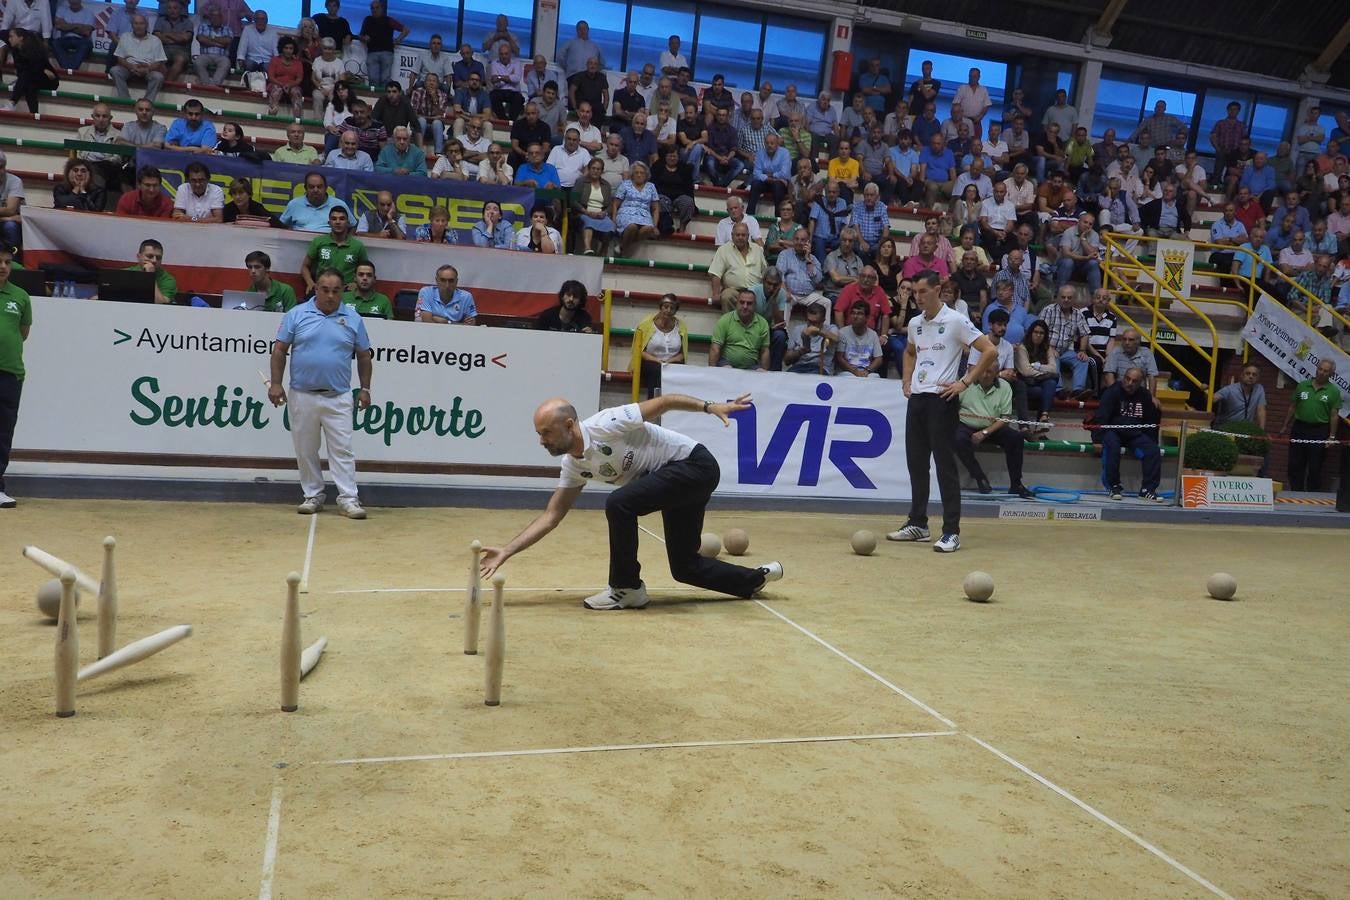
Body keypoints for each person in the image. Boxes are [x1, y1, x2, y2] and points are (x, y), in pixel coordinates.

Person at [481, 393, 781, 610]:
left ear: (569, 425)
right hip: (676, 480)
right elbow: (552, 516)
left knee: (619, 503)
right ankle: (754, 579)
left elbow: (664, 402)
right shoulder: (573, 466)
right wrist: (506, 551)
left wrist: (709, 406)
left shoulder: (605, 424)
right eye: (538, 434)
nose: (542, 440)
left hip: (694, 465)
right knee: (685, 568)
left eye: (546, 432)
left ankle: (626, 589)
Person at [888, 270, 997, 552]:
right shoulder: (914, 323)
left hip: (942, 399)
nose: (918, 297)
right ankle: (918, 523)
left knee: (944, 466)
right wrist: (906, 380)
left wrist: (964, 382)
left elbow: (989, 351)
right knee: (916, 463)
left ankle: (951, 531)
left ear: (938, 290)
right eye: (914, 292)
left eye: (923, 291)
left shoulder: (956, 321)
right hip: (919, 399)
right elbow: (910, 352)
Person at [267, 267, 372, 519]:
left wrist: (365, 388)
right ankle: (313, 494)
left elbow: (364, 356)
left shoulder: (353, 318)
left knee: (342, 449)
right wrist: (276, 383)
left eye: (336, 291)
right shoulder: (296, 314)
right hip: (302, 394)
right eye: (325, 290)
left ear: (343, 291)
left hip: (339, 396)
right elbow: (280, 350)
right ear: (316, 289)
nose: (330, 296)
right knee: (306, 448)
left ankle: (349, 498)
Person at [955, 365, 1032, 497]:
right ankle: (980, 478)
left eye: (989, 371)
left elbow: (1005, 418)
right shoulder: (966, 382)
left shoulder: (1005, 387)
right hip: (966, 425)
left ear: (997, 373)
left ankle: (1016, 484)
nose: (985, 374)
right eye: (982, 370)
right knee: (958, 440)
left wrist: (984, 432)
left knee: (1016, 438)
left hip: (993, 427)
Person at [1095, 366, 1164, 502]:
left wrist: (1151, 441)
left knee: (1153, 450)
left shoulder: (1145, 395)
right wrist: (1097, 439)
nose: (1130, 383)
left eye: (1135, 381)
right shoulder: (1112, 392)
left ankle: (1147, 490)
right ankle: (1113, 486)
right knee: (1112, 446)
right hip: (1113, 430)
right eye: (1127, 379)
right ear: (1123, 378)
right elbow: (1102, 418)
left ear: (1141, 383)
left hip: (1134, 434)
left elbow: (1150, 422)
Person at [1280, 358, 1341, 492]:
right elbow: (1293, 406)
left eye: (1326, 371)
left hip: (1319, 430)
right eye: (1320, 369)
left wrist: (1331, 436)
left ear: (1331, 374)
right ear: (1316, 369)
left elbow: (1334, 415)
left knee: (1315, 465)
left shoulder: (1333, 391)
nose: (1322, 373)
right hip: (1299, 428)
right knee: (1295, 463)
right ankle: (1296, 491)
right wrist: (1285, 425)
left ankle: (1312, 494)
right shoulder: (1302, 385)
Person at [0, 244, 29, 507]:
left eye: (7, 262)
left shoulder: (20, 296)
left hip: (10, 374)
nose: (3, 267)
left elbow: (22, 332)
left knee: (3, 431)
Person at [630, 293, 686, 398]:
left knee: (680, 371)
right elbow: (640, 351)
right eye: (666, 307)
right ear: (660, 307)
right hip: (650, 361)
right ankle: (653, 405)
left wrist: (668, 362)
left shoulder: (681, 326)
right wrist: (659, 362)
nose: (668, 310)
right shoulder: (646, 324)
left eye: (672, 308)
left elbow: (683, 354)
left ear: (676, 311)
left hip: (671, 362)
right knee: (657, 371)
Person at [301, 207, 367, 293]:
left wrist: (356, 283)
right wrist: (310, 283)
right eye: (334, 219)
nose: (338, 222)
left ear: (348, 223)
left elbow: (365, 270)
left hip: (347, 291)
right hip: (322, 288)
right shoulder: (318, 241)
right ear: (329, 223)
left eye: (342, 219)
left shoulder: (357, 246)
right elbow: (305, 266)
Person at [708, 222, 766, 310]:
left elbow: (765, 272)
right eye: (737, 235)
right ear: (732, 235)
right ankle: (730, 323)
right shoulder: (723, 250)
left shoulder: (757, 249)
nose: (740, 237)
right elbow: (715, 273)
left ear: (748, 236)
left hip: (755, 292)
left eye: (743, 235)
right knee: (726, 296)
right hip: (734, 291)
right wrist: (715, 294)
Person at [110, 14, 165, 102]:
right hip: (128, 68)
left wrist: (147, 69)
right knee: (115, 70)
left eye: (141, 23)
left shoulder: (155, 40)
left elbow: (158, 62)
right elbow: (119, 58)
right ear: (132, 25)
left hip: (148, 70)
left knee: (158, 77)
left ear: (146, 25)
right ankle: (125, 100)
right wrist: (131, 66)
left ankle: (147, 103)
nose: (138, 26)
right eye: (136, 23)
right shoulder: (125, 37)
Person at [709, 290, 769, 370]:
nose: (745, 306)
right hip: (726, 364)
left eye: (749, 303)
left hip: (752, 366)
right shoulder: (725, 320)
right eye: (742, 302)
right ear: (736, 303)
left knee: (761, 373)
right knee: (727, 369)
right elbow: (715, 348)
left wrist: (765, 375)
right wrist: (711, 373)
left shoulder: (763, 323)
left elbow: (765, 351)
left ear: (755, 305)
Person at [357, 0, 407, 93]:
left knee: (385, 80)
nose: (375, 10)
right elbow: (360, 36)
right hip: (372, 52)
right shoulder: (368, 20)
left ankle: (384, 101)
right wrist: (364, 38)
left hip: (387, 52)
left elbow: (405, 29)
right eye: (373, 8)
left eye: (377, 8)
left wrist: (398, 40)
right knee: (373, 80)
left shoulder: (388, 20)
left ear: (382, 8)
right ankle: (374, 101)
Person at [613, 162, 660, 258]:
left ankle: (622, 247)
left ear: (646, 175)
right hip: (626, 214)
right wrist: (613, 220)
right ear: (632, 174)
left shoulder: (651, 186)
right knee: (632, 227)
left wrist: (655, 226)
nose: (639, 175)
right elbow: (615, 204)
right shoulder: (625, 184)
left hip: (644, 217)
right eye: (636, 172)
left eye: (642, 173)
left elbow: (655, 208)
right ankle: (624, 252)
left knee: (648, 229)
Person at [6, 27, 58, 115]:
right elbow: (20, 71)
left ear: (20, 38)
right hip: (31, 79)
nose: (9, 39)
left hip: (49, 79)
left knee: (27, 75)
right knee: (29, 83)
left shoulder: (33, 50)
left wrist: (23, 73)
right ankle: (34, 114)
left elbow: (36, 69)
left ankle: (12, 102)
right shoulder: (15, 51)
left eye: (12, 36)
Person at [279, 171, 351, 232]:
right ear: (305, 188)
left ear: (326, 188)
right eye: (311, 187)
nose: (315, 190)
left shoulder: (339, 204)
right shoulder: (294, 204)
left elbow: (352, 226)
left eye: (319, 187)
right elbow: (281, 225)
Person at [570, 158, 615, 255]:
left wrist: (604, 213)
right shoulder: (580, 182)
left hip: (600, 214)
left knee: (610, 226)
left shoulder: (606, 185)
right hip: (583, 213)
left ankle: (603, 252)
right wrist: (586, 212)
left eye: (598, 169)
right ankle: (587, 249)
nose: (595, 171)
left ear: (602, 171)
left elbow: (610, 205)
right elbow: (573, 201)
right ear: (589, 169)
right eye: (593, 168)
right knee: (588, 221)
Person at [1102, 328, 1159, 396]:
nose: (1127, 342)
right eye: (1124, 339)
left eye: (1131, 340)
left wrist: (1151, 397)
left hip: (1139, 392)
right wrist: (1114, 395)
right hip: (1120, 391)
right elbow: (1109, 374)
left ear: (1138, 342)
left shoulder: (1147, 353)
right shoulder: (1115, 352)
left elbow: (1152, 376)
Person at [834, 300, 883, 378]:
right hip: (848, 372)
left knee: (875, 377)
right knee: (847, 376)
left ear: (867, 317)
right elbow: (840, 357)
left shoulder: (873, 334)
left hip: (866, 371)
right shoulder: (843, 332)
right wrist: (854, 371)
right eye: (853, 313)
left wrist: (868, 371)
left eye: (859, 313)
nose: (855, 316)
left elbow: (879, 359)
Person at [1212, 363, 1266, 430]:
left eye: (1254, 375)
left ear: (1258, 378)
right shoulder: (1230, 389)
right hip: (1226, 428)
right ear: (1242, 375)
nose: (1251, 376)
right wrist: (1207, 390)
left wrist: (1262, 431)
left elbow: (1261, 410)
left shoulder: (1259, 389)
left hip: (1244, 429)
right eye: (1248, 373)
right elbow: (1212, 399)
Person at [192, 3, 235, 86]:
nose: (215, 19)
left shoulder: (227, 28)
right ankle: (206, 83)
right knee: (198, 61)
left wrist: (210, 39)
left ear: (221, 18)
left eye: (217, 16)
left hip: (221, 57)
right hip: (205, 55)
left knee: (226, 63)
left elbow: (228, 41)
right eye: (213, 16)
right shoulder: (203, 26)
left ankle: (214, 85)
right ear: (210, 18)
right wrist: (219, 44)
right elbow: (201, 39)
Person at [126, 238, 177, 304]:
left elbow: (161, 303)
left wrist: (150, 276)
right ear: (139, 257)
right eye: (149, 256)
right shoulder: (125, 273)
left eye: (158, 258)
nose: (154, 260)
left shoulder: (168, 280)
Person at [266, 35, 305, 118]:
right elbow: (271, 77)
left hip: (292, 86)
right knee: (277, 90)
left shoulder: (298, 63)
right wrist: (282, 85)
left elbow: (299, 79)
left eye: (291, 48)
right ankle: (271, 117)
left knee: (296, 92)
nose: (288, 51)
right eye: (286, 48)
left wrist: (289, 85)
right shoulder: (275, 60)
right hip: (276, 84)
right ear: (282, 49)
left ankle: (298, 120)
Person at [52, 0, 96, 72]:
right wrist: (77, 25)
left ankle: (68, 70)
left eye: (76, 2)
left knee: (86, 45)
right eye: (72, 1)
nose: (73, 2)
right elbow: (58, 26)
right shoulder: (61, 9)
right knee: (55, 43)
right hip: (64, 39)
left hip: (82, 40)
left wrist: (67, 26)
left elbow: (86, 32)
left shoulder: (89, 13)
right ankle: (69, 70)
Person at [235, 9, 279, 73]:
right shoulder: (247, 30)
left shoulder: (273, 33)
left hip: (267, 61)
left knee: (269, 68)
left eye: (263, 19)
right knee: (249, 65)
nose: (260, 21)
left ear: (267, 21)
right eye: (258, 19)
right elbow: (242, 49)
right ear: (254, 20)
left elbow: (276, 52)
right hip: (251, 60)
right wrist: (240, 60)